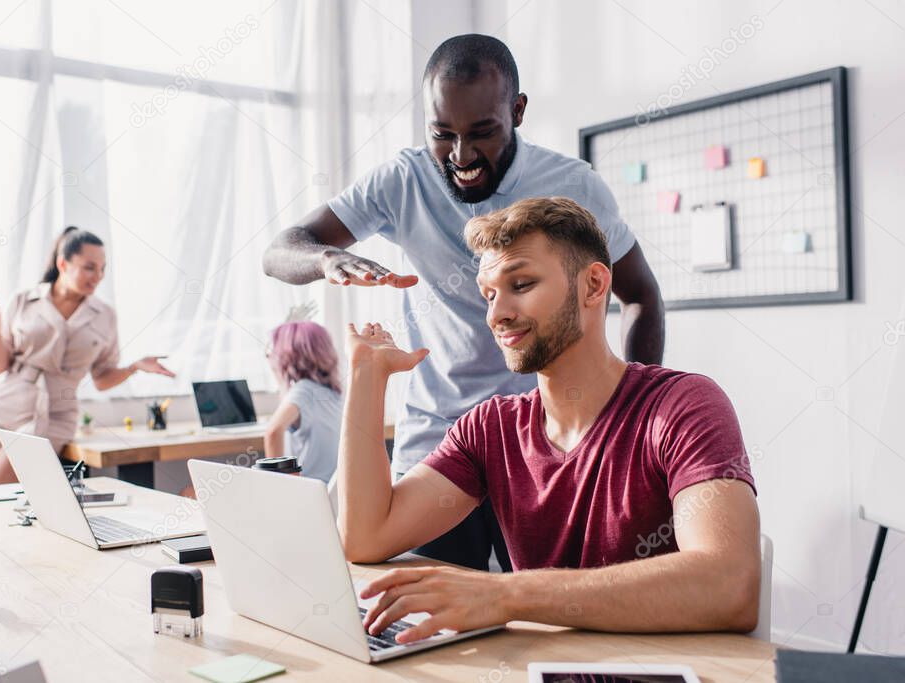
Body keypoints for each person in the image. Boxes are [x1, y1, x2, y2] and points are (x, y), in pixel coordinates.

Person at [263, 34, 664, 571]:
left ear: (517, 112)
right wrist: (328, 261)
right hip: (439, 446)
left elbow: (640, 295)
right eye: (442, 135)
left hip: (545, 446)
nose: (461, 156)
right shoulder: (402, 181)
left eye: (482, 134)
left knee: (559, 614)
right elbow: (280, 251)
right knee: (429, 625)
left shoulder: (572, 186)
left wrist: (628, 415)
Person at [337, 197, 760, 644]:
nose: (496, 315)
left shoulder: (683, 406)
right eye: (490, 293)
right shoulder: (490, 429)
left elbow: (730, 584)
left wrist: (507, 594)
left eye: (521, 284)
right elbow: (367, 537)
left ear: (594, 286)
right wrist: (367, 376)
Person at [0, 227, 175, 485]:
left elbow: (101, 379)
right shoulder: (23, 300)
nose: (97, 276)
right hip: (4, 404)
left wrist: (134, 367)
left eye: (102, 269)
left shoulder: (104, 315)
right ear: (63, 263)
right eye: (89, 267)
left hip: (54, 412)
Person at [263, 320, 344, 482]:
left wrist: (275, 484)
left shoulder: (303, 391)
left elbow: (273, 432)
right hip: (330, 489)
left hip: (307, 491)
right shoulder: (332, 393)